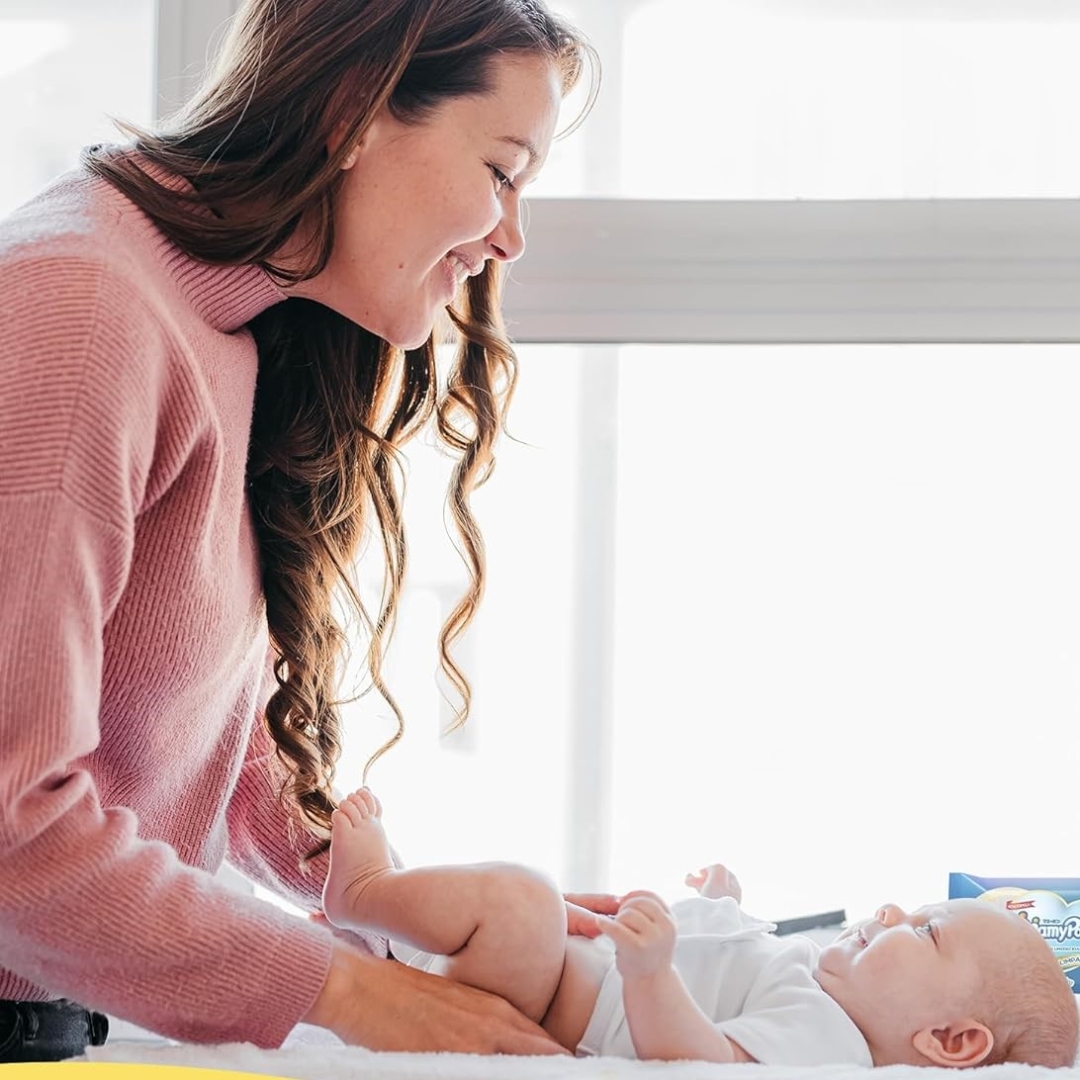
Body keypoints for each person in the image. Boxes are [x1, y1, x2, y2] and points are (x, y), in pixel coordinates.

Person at [0, 0, 608, 1063]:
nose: (510, 236)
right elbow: (8, 825)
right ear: (354, 111)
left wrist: (398, 907)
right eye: (504, 171)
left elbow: (184, 710)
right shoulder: (81, 313)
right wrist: (360, 996)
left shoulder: (216, 319)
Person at [323, 787, 1080, 1069]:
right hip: (553, 972)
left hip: (550, 1000)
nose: (889, 913)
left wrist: (651, 975)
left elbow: (704, 1058)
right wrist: (729, 903)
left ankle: (365, 894)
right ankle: (393, 927)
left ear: (949, 1041)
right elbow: (737, 964)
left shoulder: (832, 1044)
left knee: (524, 901)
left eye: (923, 932)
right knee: (525, 906)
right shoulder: (817, 977)